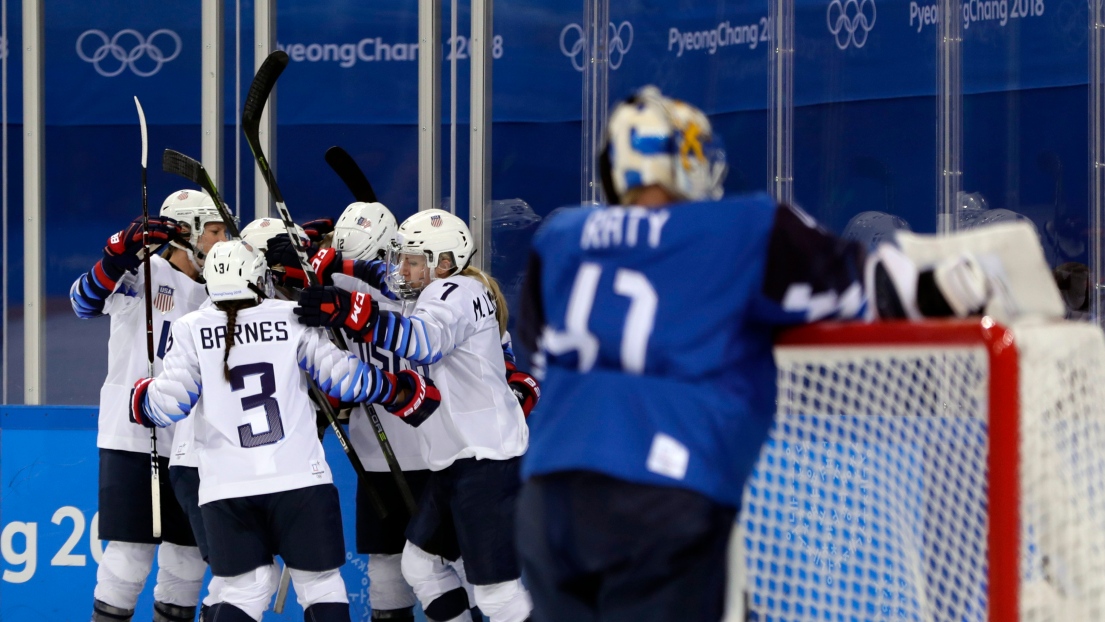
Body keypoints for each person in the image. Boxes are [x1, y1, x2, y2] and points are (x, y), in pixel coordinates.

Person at [511, 86, 870, 622]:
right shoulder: (744, 226)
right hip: (665, 496)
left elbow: (538, 355)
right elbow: (869, 289)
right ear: (693, 162)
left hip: (549, 497)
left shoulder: (561, 236)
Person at [129, 240, 441, 622]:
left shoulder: (191, 326)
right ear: (257, 276)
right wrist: (400, 392)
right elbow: (344, 379)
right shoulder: (290, 315)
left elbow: (168, 405)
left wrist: (141, 397)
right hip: (299, 479)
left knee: (246, 588)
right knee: (321, 584)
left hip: (225, 487)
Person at [294, 208, 534, 622]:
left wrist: (347, 308)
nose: (401, 268)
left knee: (497, 595)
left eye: (412, 260)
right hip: (460, 460)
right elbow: (385, 279)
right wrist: (335, 264)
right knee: (420, 566)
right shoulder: (446, 287)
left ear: (443, 263)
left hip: (486, 461)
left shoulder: (455, 292)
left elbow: (421, 342)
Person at [71, 189, 227, 622]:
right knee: (128, 556)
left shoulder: (227, 289)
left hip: (193, 446)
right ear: (186, 234)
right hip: (131, 437)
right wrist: (116, 255)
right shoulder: (143, 272)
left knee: (188, 560)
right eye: (214, 231)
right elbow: (83, 302)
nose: (223, 240)